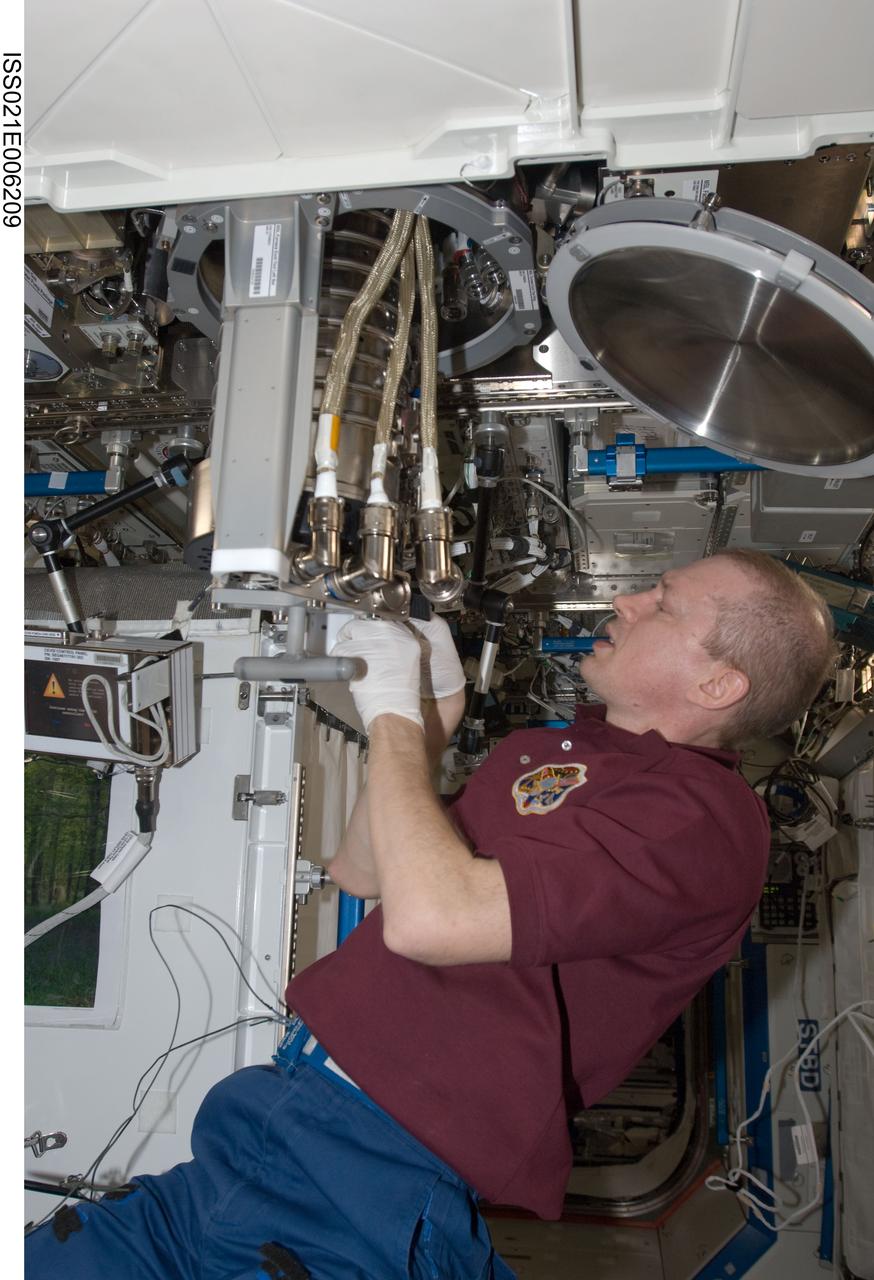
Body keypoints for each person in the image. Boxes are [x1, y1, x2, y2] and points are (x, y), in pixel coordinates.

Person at [25, 549, 835, 1280]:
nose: (623, 602)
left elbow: (431, 923)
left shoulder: (706, 817)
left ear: (718, 686)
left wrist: (389, 715)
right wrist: (432, 717)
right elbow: (365, 868)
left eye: (663, 602)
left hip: (370, 1175)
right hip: (272, 1126)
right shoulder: (552, 754)